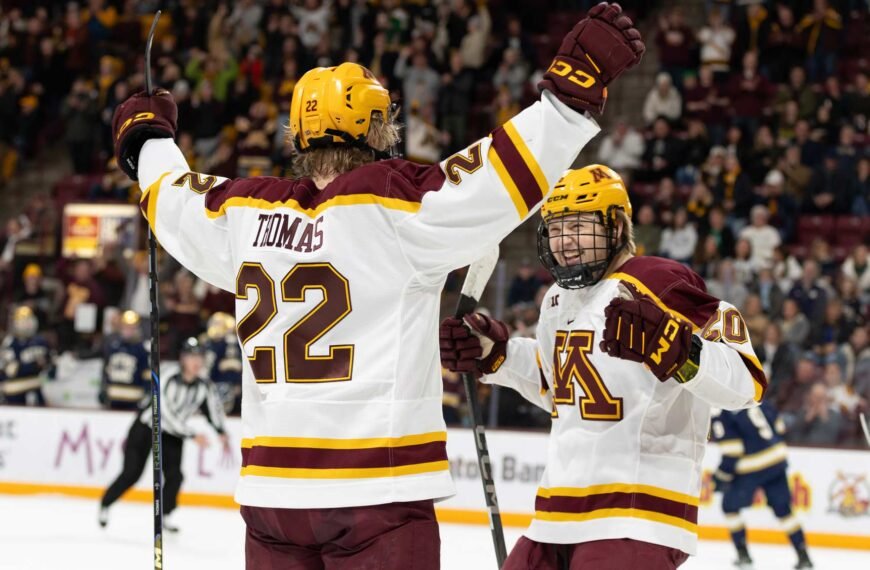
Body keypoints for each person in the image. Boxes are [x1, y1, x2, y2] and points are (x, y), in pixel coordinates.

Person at [110, 3, 646, 566]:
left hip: (271, 501)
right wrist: (569, 97)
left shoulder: (241, 212)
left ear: (298, 131)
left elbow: (169, 197)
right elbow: (499, 175)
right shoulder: (393, 202)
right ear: (375, 127)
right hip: (377, 493)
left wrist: (148, 142)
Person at [440, 164, 766, 569]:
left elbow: (747, 381)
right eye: (556, 229)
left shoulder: (658, 280)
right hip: (558, 512)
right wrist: (494, 353)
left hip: (637, 512)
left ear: (616, 227)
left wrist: (679, 351)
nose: (564, 241)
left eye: (578, 226)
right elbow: (560, 385)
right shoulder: (557, 299)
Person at [99, 337, 228, 532]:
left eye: (199, 357)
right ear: (183, 358)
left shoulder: (204, 386)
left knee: (175, 476)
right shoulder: (167, 376)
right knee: (132, 473)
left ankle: (165, 515)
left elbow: (213, 410)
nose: (196, 362)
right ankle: (106, 504)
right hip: (146, 428)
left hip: (172, 434)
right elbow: (163, 411)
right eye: (192, 357)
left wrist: (221, 431)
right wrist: (192, 434)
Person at [711, 401, 813, 569]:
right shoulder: (753, 396)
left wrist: (720, 477)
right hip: (776, 461)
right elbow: (780, 427)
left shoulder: (719, 409)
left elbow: (732, 452)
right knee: (784, 510)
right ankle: (804, 556)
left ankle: (743, 555)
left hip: (750, 467)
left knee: (729, 507)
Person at [0, 306, 52, 406]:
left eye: (28, 320)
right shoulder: (10, 343)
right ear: (16, 324)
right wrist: (33, 366)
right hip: (15, 390)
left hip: (36, 387)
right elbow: (10, 370)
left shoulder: (41, 341)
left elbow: (48, 363)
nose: (27, 324)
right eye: (23, 321)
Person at [99, 310, 150, 410]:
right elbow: (106, 370)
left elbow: (147, 375)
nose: (127, 331)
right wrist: (103, 389)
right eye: (125, 327)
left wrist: (147, 393)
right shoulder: (113, 346)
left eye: (131, 328)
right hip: (113, 399)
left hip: (134, 401)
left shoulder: (142, 350)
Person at [202, 312, 243, 415]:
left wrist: (237, 383)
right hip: (214, 385)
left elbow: (236, 366)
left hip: (229, 385)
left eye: (219, 324)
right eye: (215, 323)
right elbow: (208, 368)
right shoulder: (209, 342)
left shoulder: (232, 342)